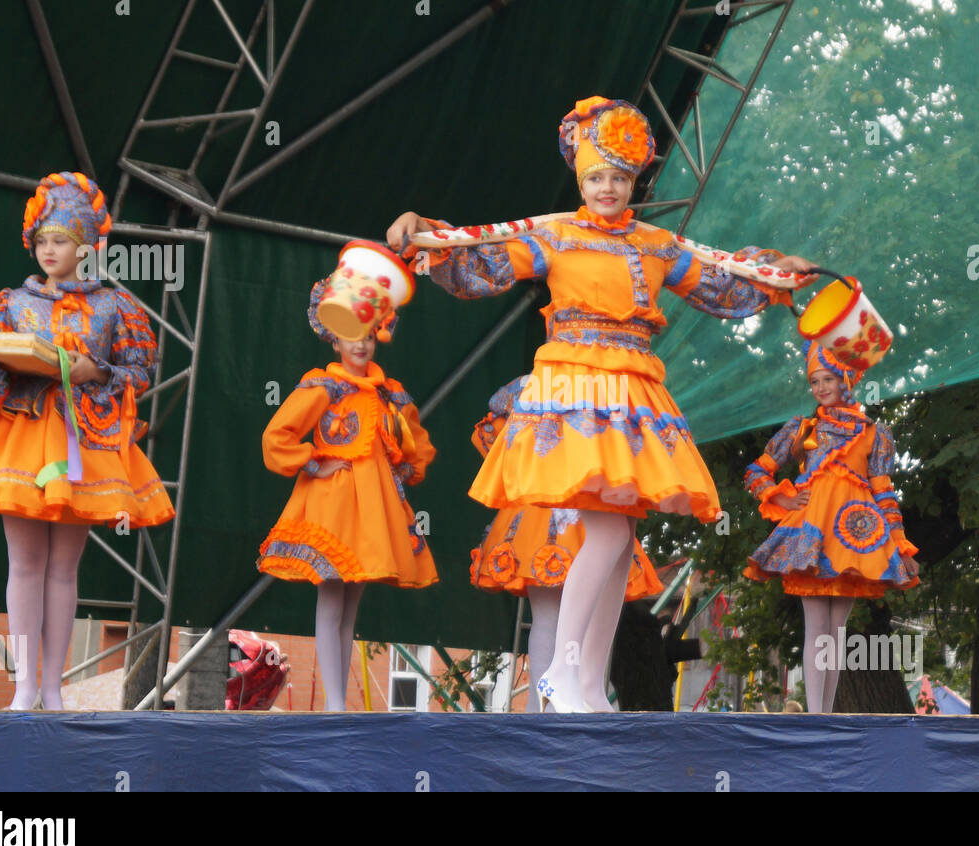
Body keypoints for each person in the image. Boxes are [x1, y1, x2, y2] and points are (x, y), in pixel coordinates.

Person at [387, 96, 817, 712]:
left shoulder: (657, 242)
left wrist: (777, 271)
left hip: (634, 389)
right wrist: (420, 228)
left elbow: (719, 282)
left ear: (634, 178)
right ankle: (562, 670)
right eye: (595, 177)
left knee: (620, 534)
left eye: (618, 176)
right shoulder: (555, 234)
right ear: (579, 178)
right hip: (575, 389)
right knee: (610, 530)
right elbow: (482, 262)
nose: (607, 188)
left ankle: (588, 683)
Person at [0, 171, 174, 710]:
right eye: (41, 240)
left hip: (85, 441)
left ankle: (56, 689)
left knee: (65, 566)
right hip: (24, 433)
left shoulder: (114, 306)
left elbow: (138, 372)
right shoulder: (10, 302)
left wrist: (96, 369)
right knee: (24, 563)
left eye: (59, 240)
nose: (48, 249)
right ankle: (24, 688)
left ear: (84, 245)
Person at [257, 254, 437, 711]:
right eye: (350, 335)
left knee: (350, 604)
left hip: (373, 508)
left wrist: (403, 467)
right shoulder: (322, 386)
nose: (360, 345)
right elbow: (276, 436)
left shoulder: (390, 392)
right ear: (334, 337)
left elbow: (417, 445)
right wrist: (313, 463)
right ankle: (335, 706)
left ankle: (337, 703)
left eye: (368, 334)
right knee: (332, 598)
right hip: (334, 505)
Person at [742, 339, 919, 713]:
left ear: (846, 381)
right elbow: (757, 472)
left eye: (828, 379)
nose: (821, 388)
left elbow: (884, 492)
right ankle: (817, 716)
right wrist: (782, 498)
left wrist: (901, 544)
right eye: (815, 382)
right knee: (816, 624)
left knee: (836, 630)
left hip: (855, 536)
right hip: (812, 532)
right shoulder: (803, 428)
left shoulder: (874, 433)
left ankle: (824, 716)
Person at [468, 375, 663, 711]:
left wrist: (534, 466)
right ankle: (543, 707)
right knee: (552, 615)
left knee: (565, 613)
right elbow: (495, 436)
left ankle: (552, 705)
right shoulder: (544, 383)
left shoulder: (539, 384)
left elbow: (495, 437)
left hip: (560, 504)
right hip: (551, 508)